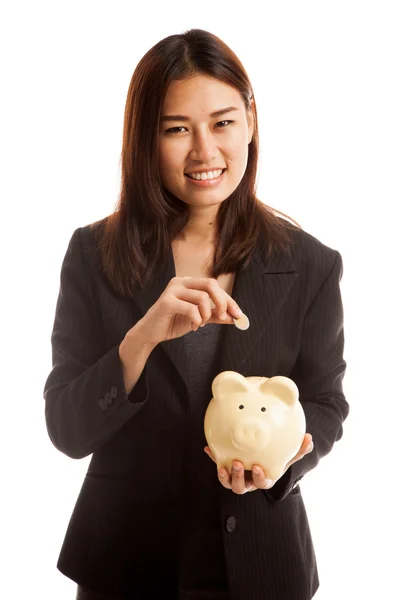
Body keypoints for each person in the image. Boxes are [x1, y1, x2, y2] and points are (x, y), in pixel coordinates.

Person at [43, 28, 349, 600]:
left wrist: (281, 461)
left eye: (223, 122)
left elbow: (326, 403)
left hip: (262, 561)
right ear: (144, 139)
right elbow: (66, 428)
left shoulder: (310, 264)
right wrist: (141, 339)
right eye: (176, 129)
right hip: (125, 565)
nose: (205, 152)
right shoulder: (93, 254)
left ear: (251, 122)